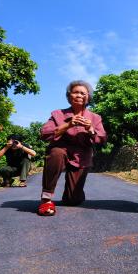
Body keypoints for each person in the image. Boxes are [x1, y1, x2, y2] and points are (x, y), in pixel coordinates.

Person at [37, 80, 107, 216]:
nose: (79, 95)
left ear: (88, 97)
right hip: (60, 151)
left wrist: (91, 129)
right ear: (69, 96)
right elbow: (44, 134)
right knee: (56, 153)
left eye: (83, 93)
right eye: (75, 92)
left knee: (72, 200)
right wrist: (68, 125)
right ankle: (46, 198)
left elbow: (102, 139)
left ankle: (75, 193)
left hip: (81, 157)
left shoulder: (95, 117)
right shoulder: (58, 114)